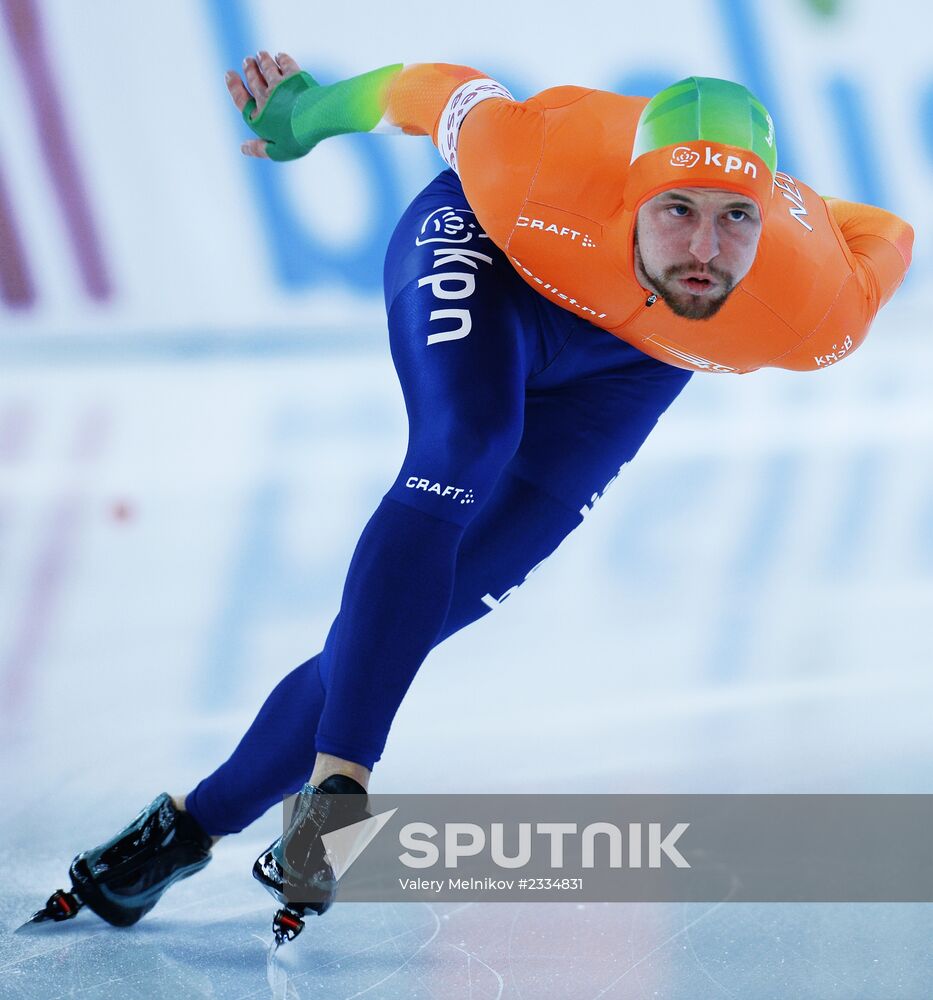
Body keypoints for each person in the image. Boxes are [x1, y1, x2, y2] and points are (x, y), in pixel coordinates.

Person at [28, 53, 912, 941]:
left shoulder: (814, 311)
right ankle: (337, 796)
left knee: (425, 610)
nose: (704, 250)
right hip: (492, 258)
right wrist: (305, 116)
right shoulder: (533, 161)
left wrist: (811, 215)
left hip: (634, 367)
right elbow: (425, 90)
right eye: (675, 210)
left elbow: (890, 230)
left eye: (735, 220)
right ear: (629, 197)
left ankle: (182, 831)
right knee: (465, 442)